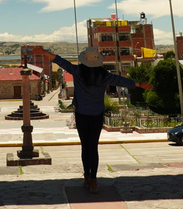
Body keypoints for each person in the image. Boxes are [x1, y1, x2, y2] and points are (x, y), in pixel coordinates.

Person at [45, 47, 152, 194]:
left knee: (85, 146)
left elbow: (60, 61)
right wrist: (140, 85)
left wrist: (43, 51)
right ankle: (94, 180)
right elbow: (122, 81)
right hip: (96, 116)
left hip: (82, 115)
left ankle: (87, 177)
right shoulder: (104, 76)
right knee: (93, 147)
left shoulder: (77, 72)